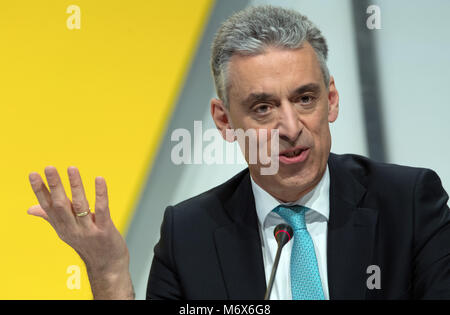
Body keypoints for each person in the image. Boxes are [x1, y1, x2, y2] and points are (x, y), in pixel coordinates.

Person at [27, 5, 450, 300]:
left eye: (305, 99)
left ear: (332, 100)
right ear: (225, 120)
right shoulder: (188, 234)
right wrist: (109, 273)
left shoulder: (408, 202)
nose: (289, 128)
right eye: (263, 108)